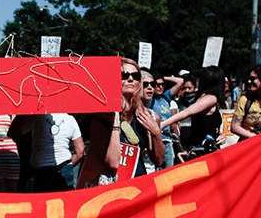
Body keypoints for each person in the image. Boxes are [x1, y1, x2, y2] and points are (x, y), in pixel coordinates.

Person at [78, 57, 164, 187]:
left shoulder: (148, 116)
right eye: (124, 75)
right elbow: (112, 163)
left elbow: (158, 161)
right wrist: (115, 123)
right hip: (109, 188)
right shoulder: (101, 116)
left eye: (135, 76)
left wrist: (156, 132)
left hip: (137, 186)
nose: (130, 79)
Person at [162, 66, 225, 161]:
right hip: (203, 153)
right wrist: (162, 124)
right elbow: (187, 112)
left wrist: (220, 134)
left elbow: (205, 125)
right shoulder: (211, 98)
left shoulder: (205, 97)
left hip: (206, 149)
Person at [231, 64, 261, 141]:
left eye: (253, 79)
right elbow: (234, 127)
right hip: (250, 148)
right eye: (249, 78)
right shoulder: (245, 100)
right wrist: (257, 138)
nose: (249, 81)